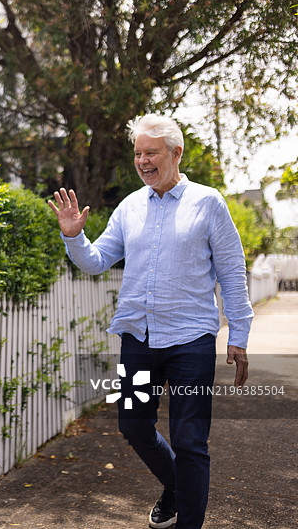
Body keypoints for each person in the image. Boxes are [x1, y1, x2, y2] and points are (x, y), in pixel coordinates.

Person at [47, 114, 253, 529]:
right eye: (138, 153)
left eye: (151, 153)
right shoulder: (129, 206)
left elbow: (232, 269)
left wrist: (240, 333)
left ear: (176, 154)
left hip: (191, 340)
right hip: (138, 338)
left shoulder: (208, 202)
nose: (142, 161)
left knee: (190, 441)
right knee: (134, 425)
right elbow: (97, 261)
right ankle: (177, 487)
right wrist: (73, 236)